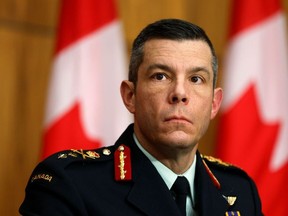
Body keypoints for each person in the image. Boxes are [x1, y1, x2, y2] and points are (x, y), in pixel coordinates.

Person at [19, 19, 263, 216]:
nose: (179, 93)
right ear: (130, 96)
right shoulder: (69, 184)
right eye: (160, 76)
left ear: (214, 103)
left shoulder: (240, 191)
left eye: (196, 79)